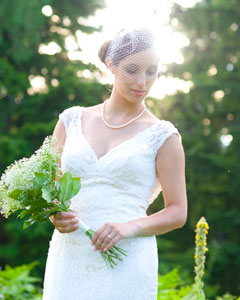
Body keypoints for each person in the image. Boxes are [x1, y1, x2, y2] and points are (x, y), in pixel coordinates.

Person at [42, 26, 187, 300]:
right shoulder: (71, 120)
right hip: (69, 254)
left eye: (151, 71)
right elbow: (50, 188)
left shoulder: (164, 136)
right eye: (132, 70)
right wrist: (55, 215)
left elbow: (178, 212)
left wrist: (128, 227)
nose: (142, 82)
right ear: (111, 65)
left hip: (127, 259)